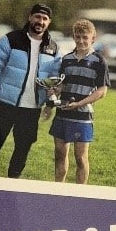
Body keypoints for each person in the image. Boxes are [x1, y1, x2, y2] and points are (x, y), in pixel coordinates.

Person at [0, 3, 59, 178]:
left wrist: (50, 103)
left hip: (31, 109)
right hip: (5, 104)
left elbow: (53, 80)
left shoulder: (53, 48)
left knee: (22, 150)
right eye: (37, 16)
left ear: (49, 22)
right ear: (30, 17)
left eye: (44, 19)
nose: (40, 21)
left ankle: (12, 185)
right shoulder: (10, 39)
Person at [48, 19, 109, 185]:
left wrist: (80, 103)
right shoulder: (66, 59)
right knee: (60, 156)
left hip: (83, 117)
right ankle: (57, 191)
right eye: (77, 37)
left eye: (85, 37)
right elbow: (62, 84)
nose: (81, 41)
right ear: (73, 37)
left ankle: (79, 194)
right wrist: (55, 90)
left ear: (93, 38)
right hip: (62, 113)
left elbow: (102, 91)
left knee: (81, 159)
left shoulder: (99, 61)